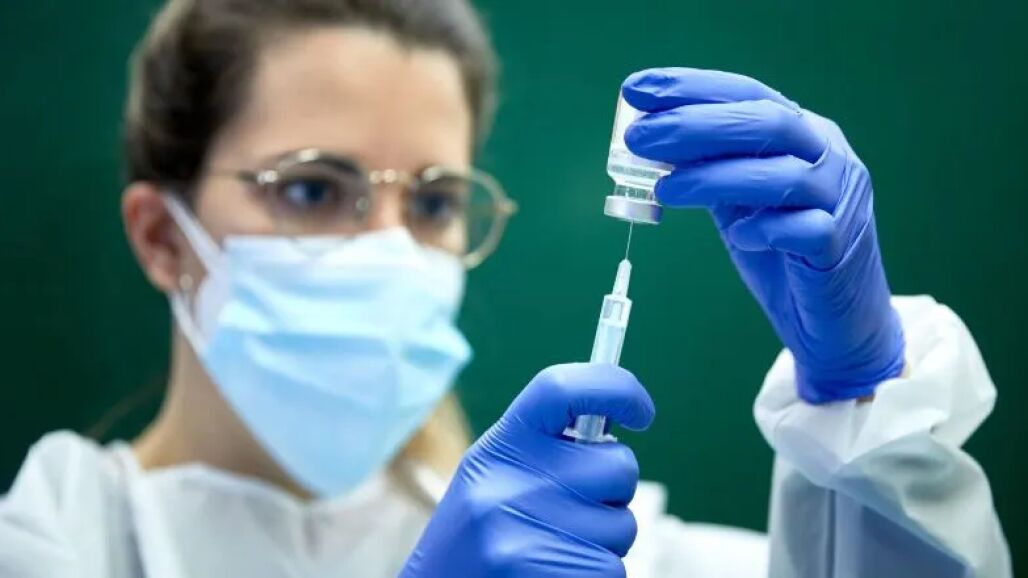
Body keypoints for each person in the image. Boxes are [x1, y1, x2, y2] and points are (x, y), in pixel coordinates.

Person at [0, 0, 1011, 576]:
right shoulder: (54, 543)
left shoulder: (587, 545)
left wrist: (861, 406)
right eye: (314, 189)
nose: (391, 247)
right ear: (160, 237)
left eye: (434, 200)